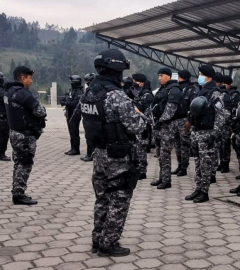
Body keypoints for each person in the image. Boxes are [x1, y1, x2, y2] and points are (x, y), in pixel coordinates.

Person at [80, 49, 146, 257]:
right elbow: (136, 126)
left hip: (98, 153)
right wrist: (141, 115)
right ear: (116, 69)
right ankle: (108, 244)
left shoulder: (89, 92)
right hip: (117, 156)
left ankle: (97, 239)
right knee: (119, 198)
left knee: (102, 198)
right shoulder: (116, 95)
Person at [4, 66, 47, 205]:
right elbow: (40, 111)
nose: (31, 81)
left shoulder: (9, 91)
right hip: (24, 135)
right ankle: (19, 194)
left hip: (15, 132)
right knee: (25, 163)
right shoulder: (22, 93)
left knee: (18, 163)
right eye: (29, 78)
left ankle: (16, 190)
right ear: (22, 77)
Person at [185, 65, 225, 203]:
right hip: (197, 131)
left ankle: (204, 191)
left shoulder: (215, 93)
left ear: (208, 76)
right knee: (197, 162)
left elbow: (221, 116)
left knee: (206, 163)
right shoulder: (201, 91)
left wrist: (214, 134)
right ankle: (198, 187)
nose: (199, 77)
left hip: (207, 133)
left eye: (201, 74)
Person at [149, 68, 183, 189]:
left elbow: (170, 110)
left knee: (165, 153)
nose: (159, 78)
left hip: (167, 125)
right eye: (158, 76)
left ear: (168, 76)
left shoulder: (174, 89)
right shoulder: (163, 89)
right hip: (159, 125)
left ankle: (166, 180)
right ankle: (162, 177)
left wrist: (160, 121)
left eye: (162, 75)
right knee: (159, 153)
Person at [172, 70, 198, 176]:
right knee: (177, 144)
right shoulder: (177, 87)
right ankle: (179, 165)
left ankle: (184, 167)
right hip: (176, 119)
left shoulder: (191, 89)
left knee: (184, 145)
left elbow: (193, 106)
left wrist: (189, 121)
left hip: (184, 119)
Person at [132, 73, 154, 180]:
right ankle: (136, 169)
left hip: (143, 127)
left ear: (141, 83)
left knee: (141, 150)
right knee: (135, 150)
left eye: (135, 81)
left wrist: (138, 112)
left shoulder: (147, 95)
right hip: (134, 126)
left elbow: (149, 116)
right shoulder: (137, 94)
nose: (133, 83)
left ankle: (142, 171)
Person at [215, 72, 233, 174]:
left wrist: (221, 124)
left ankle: (225, 164)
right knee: (219, 146)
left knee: (225, 145)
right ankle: (221, 163)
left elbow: (227, 112)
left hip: (225, 125)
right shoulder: (218, 92)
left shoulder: (224, 94)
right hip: (218, 125)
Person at [61, 75, 84, 156]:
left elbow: (76, 103)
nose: (70, 83)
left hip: (75, 114)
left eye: (71, 82)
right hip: (70, 113)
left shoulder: (79, 92)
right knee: (71, 132)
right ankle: (73, 148)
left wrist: (66, 103)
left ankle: (76, 149)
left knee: (74, 131)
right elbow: (70, 100)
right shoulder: (73, 91)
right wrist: (64, 100)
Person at [80, 73, 96, 162]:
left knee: (90, 137)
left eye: (87, 81)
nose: (86, 83)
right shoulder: (88, 90)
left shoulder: (93, 90)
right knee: (89, 136)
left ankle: (90, 154)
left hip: (92, 117)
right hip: (88, 116)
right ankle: (90, 153)